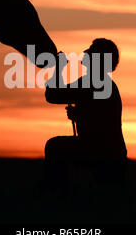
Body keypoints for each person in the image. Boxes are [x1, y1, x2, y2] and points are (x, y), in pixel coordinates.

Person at [43, 38, 127, 190]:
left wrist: (57, 68)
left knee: (54, 147)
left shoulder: (92, 82)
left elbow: (53, 95)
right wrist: (80, 114)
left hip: (99, 150)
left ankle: (55, 193)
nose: (85, 52)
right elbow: (100, 117)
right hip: (112, 151)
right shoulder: (103, 83)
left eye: (91, 50)